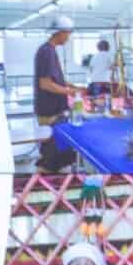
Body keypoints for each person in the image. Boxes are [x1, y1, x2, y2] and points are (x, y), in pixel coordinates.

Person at [33, 15, 88, 168]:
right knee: (52, 153)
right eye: (68, 34)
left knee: (58, 152)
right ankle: (45, 177)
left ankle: (51, 176)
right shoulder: (46, 52)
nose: (68, 38)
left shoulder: (50, 50)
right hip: (49, 111)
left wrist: (74, 87)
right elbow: (45, 84)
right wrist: (69, 92)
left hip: (54, 110)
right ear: (60, 32)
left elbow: (55, 79)